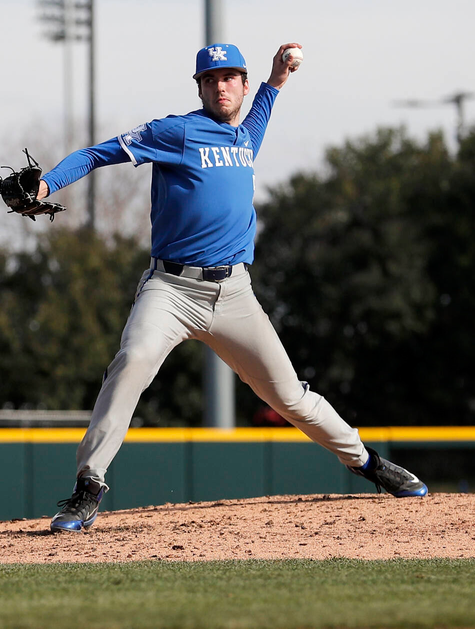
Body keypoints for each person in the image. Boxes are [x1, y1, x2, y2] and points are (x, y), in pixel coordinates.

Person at [35, 42, 428, 534]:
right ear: (199, 88)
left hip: (234, 293)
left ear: (242, 85)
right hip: (171, 289)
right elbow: (98, 153)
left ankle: (367, 464)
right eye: (210, 79)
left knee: (290, 397)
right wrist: (48, 184)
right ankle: (88, 487)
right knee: (131, 362)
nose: (220, 86)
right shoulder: (175, 131)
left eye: (229, 78)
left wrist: (279, 74)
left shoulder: (247, 133)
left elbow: (269, 97)